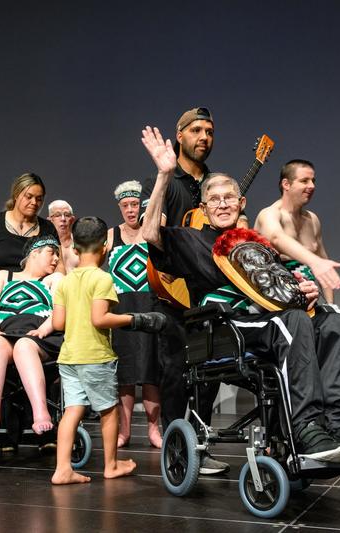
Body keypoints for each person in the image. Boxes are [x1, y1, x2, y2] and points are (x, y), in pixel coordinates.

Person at [141, 126, 340, 464]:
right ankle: (305, 429)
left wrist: (302, 290)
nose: (222, 204)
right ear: (203, 206)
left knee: (333, 322)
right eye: (213, 199)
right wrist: (164, 175)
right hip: (226, 326)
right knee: (291, 323)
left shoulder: (255, 245)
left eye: (229, 197)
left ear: (241, 202)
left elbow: (276, 286)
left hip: (269, 320)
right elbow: (149, 232)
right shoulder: (190, 239)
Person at [138, 107, 227, 474]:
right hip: (173, 294)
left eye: (209, 130)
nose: (204, 137)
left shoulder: (216, 183)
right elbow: (150, 231)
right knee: (175, 373)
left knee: (213, 372)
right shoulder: (167, 181)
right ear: (180, 136)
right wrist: (163, 175)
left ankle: (200, 446)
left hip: (210, 293)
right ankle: (177, 453)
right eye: (196, 130)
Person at [50, 217, 166, 485]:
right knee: (109, 410)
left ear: (75, 249)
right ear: (104, 248)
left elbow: (57, 323)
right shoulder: (102, 278)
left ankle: (62, 468)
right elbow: (100, 319)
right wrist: (135, 319)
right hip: (95, 357)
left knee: (72, 411)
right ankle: (111, 465)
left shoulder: (65, 282)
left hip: (69, 357)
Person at [0, 235, 64, 435]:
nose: (56, 259)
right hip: (7, 333)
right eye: (51, 253)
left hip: (41, 336)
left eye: (58, 254)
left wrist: (44, 329)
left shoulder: (54, 279)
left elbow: (59, 311)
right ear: (33, 253)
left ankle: (41, 414)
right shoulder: (3, 276)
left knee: (24, 346)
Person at [105, 181, 162, 448]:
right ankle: (124, 431)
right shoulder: (110, 235)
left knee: (151, 370)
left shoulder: (151, 231)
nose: (130, 210)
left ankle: (154, 429)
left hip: (150, 305)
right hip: (121, 308)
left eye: (135, 204)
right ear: (119, 207)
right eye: (125, 205)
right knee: (125, 373)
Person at [254, 159, 340, 304]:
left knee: (336, 321)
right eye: (304, 181)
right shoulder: (269, 214)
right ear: (286, 184)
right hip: (275, 306)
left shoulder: (312, 220)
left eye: (313, 181)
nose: (312, 186)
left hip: (309, 304)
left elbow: (324, 264)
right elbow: (277, 237)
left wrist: (331, 306)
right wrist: (315, 262)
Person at [0, 172, 63, 286]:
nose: (34, 203)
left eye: (39, 199)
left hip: (36, 294)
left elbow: (59, 265)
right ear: (16, 195)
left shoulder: (48, 228)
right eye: (28, 197)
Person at [47, 200, 78, 271]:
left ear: (72, 219)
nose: (63, 219)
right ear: (50, 220)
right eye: (57, 215)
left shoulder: (80, 243)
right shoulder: (43, 246)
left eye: (67, 215)